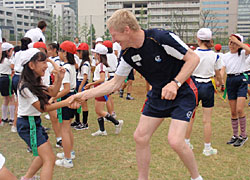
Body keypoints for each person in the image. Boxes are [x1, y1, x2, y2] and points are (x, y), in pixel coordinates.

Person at [69, 9, 202, 180]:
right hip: (157, 94)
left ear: (126, 30)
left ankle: (196, 177)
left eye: (114, 35)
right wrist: (83, 95)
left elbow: (193, 59)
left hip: (183, 91)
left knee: (176, 141)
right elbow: (114, 83)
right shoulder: (127, 54)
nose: (113, 40)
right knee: (140, 137)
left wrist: (175, 83)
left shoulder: (160, 38)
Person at [16, 48, 67, 180]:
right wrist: (67, 102)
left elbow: (53, 93)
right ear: (31, 65)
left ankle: (27, 178)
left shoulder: (37, 81)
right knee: (49, 159)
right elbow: (43, 108)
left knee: (43, 156)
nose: (46, 65)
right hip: (28, 124)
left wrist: (59, 79)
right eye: (43, 62)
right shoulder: (25, 86)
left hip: (34, 123)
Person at [185, 28, 223, 156]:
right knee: (207, 120)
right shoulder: (215, 55)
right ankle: (207, 148)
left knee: (190, 116)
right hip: (208, 85)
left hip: (194, 85)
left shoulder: (193, 53)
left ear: (198, 39)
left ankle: (186, 143)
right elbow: (218, 74)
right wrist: (221, 83)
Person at [49, 41, 77, 168]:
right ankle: (69, 152)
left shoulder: (66, 68)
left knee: (64, 129)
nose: (58, 52)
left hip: (66, 98)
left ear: (65, 53)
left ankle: (67, 159)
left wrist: (53, 98)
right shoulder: (71, 66)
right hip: (72, 97)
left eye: (60, 50)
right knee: (67, 127)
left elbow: (65, 89)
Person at [86, 44, 123, 136]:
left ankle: (117, 123)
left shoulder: (101, 66)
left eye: (95, 53)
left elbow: (102, 79)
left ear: (98, 55)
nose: (94, 54)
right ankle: (102, 130)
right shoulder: (101, 65)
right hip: (99, 88)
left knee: (99, 111)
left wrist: (91, 84)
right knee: (98, 111)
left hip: (100, 88)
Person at [222, 34, 250, 147]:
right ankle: (235, 135)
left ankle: (243, 135)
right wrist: (221, 80)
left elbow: (248, 49)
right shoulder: (225, 56)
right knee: (233, 111)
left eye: (234, 43)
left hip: (241, 79)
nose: (231, 45)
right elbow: (223, 69)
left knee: (239, 109)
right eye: (230, 42)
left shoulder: (243, 54)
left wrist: (238, 42)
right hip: (230, 81)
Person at [72, 43, 91, 130]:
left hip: (82, 83)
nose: (77, 53)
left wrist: (80, 87)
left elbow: (85, 77)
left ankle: (85, 123)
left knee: (83, 104)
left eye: (79, 51)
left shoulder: (86, 63)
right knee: (78, 102)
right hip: (78, 82)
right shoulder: (82, 62)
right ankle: (77, 121)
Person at [0, 42, 15, 127]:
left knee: (5, 99)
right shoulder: (7, 61)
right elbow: (13, 67)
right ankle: (12, 118)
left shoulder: (1, 60)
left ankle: (4, 117)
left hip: (1, 78)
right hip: (7, 79)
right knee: (12, 98)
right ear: (7, 51)